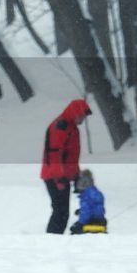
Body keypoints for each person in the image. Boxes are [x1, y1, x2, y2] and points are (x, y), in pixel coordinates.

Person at [40, 99, 92, 234]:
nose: (82, 119)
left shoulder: (72, 128)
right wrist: (59, 178)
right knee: (60, 211)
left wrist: (76, 176)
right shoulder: (60, 126)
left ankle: (54, 239)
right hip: (54, 176)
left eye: (83, 117)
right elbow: (54, 154)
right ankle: (51, 240)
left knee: (62, 212)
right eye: (81, 116)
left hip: (62, 176)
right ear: (74, 113)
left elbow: (71, 158)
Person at [69, 169, 107, 234]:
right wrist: (80, 211)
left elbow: (86, 211)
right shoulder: (96, 192)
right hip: (100, 220)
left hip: (90, 221)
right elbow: (97, 208)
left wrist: (81, 223)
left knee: (73, 228)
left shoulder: (86, 195)